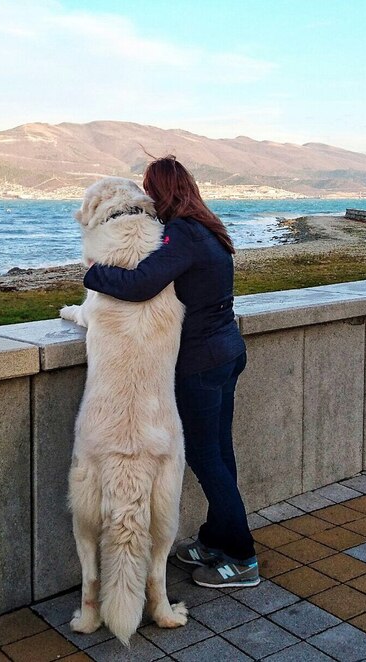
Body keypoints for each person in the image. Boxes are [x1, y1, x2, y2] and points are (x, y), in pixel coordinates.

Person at [82, 155, 258, 588]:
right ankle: (215, 538)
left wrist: (94, 273)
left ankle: (242, 558)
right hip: (227, 351)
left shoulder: (181, 233)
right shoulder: (208, 227)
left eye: (149, 188)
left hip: (201, 362)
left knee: (205, 457)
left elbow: (140, 284)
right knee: (220, 453)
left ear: (160, 190)